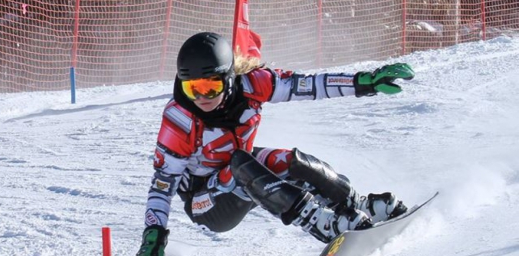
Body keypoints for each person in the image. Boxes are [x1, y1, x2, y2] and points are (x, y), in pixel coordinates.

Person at [136, 32, 415, 255]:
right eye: (191, 88)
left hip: (239, 171)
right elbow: (162, 185)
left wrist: (364, 82)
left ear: (228, 78)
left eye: (211, 86)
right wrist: (154, 236)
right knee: (242, 164)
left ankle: (359, 206)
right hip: (206, 205)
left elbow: (311, 85)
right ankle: (324, 225)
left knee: (293, 162)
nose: (201, 97)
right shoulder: (180, 119)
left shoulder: (254, 84)